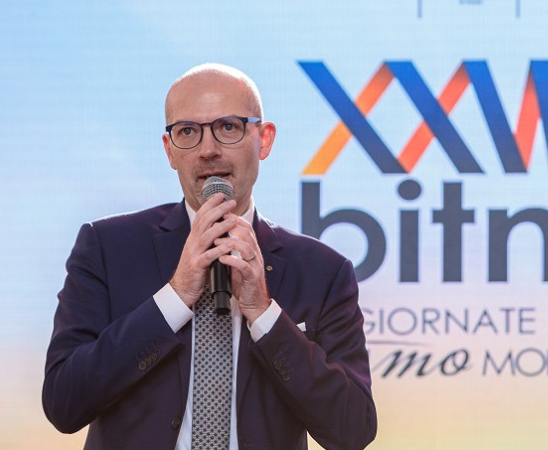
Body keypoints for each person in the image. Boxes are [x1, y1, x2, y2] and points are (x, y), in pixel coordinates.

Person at [43, 63, 377, 450]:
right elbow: (63, 403)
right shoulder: (107, 247)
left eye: (228, 127)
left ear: (264, 139)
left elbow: (353, 430)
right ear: (169, 150)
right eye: (188, 131)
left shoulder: (322, 271)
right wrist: (175, 297)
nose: (208, 150)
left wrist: (264, 313)